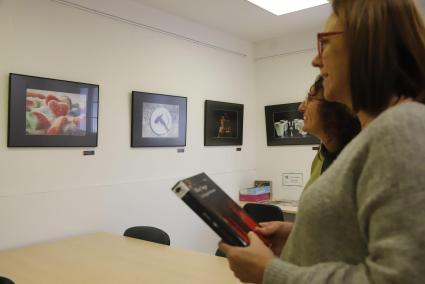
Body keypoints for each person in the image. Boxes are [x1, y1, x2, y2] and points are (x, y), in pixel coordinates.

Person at [219, 0, 425, 283]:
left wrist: (269, 273)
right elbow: (360, 240)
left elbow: (402, 278)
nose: (316, 61)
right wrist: (298, 234)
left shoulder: (403, 127)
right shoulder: (377, 136)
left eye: (324, 44)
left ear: (365, 47)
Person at [299, 75, 360, 189]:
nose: (301, 107)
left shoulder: (359, 162)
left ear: (333, 109)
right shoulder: (320, 158)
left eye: (310, 99)